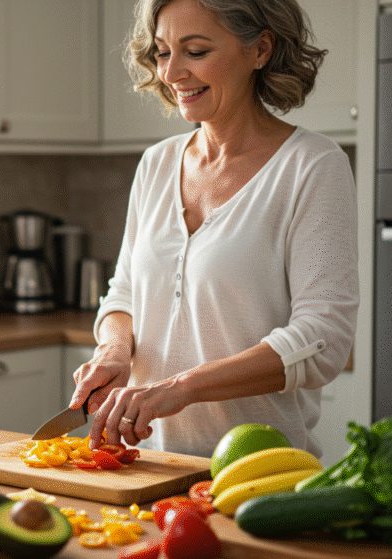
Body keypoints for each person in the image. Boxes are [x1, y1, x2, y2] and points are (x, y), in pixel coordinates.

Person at [68, 0, 358, 459]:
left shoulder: (312, 166)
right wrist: (115, 350)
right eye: (163, 52)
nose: (171, 72)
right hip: (146, 463)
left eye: (196, 51)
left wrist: (183, 387)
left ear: (260, 49)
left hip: (256, 475)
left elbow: (324, 339)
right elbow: (124, 293)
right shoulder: (157, 163)